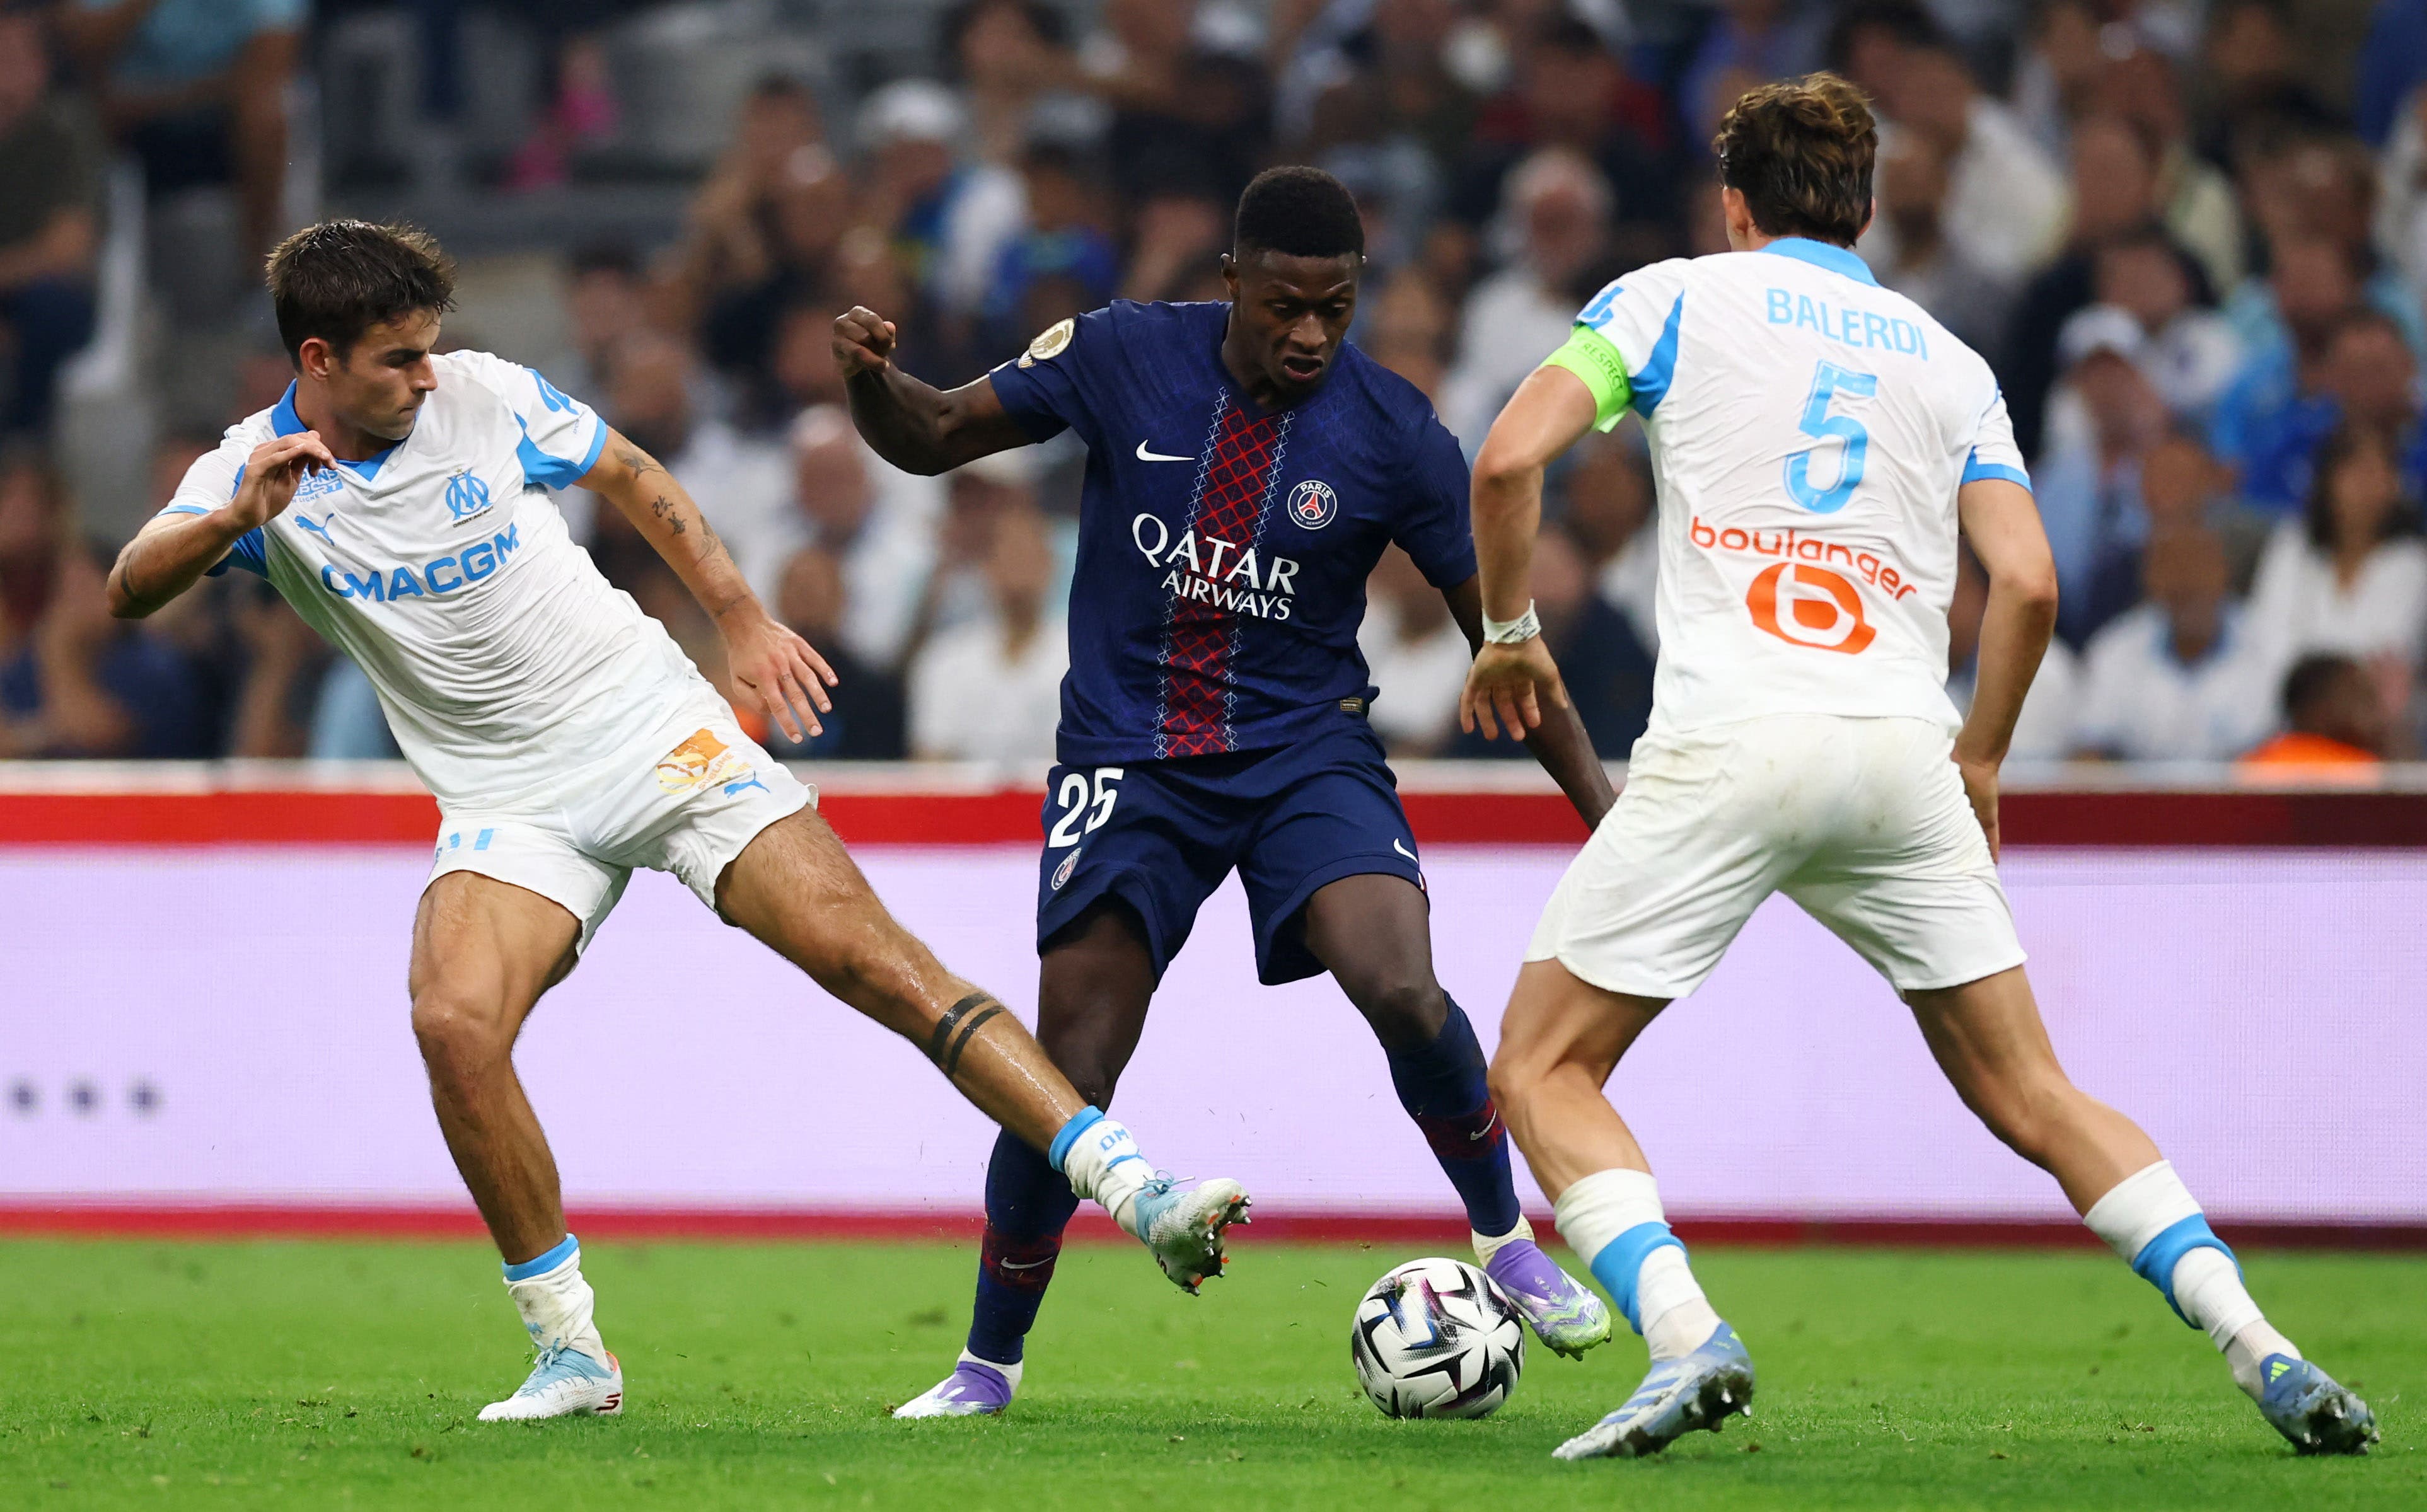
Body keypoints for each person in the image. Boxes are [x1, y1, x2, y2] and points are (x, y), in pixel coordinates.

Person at [104, 219, 1249, 1422]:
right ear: (321, 358)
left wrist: (741, 623)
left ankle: (1142, 1192)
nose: (429, 375)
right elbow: (132, 583)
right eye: (400, 360)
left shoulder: (486, 397)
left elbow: (632, 475)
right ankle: (571, 1351)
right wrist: (230, 521)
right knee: (452, 1022)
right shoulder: (252, 472)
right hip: (507, 800)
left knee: (878, 962)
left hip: (652, 729)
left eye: (433, 350)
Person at [1459, 76, 2376, 1461]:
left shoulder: (1665, 300)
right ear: (1868, 210)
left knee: (1536, 1066)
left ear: (1732, 205)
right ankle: (2264, 1343)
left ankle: (1683, 1330)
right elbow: (2027, 580)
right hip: (1899, 752)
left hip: (1731, 736)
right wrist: (1984, 752)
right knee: (2032, 1092)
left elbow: (1505, 459)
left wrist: (1513, 631)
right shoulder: (1946, 359)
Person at [836, 164, 1619, 1418]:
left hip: (1304, 751)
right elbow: (931, 435)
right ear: (1232, 284)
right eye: (1284, 305)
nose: (1309, 332)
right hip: (1129, 756)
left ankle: (1502, 1234)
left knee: (1402, 984)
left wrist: (1605, 815)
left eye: (1335, 307)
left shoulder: (1396, 432)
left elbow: (1509, 647)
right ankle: (986, 1360)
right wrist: (871, 379)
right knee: (1070, 1066)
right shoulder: (1122, 354)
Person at [0, 8, 102, 439]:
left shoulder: (64, 132)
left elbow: (67, 250)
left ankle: (27, 446)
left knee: (51, 307)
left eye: (14, 59)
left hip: (32, 303)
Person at [907, 502, 1067, 762]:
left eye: (1027, 556)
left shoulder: (1083, 659)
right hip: (964, 800)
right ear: (985, 568)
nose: (1018, 571)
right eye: (1007, 557)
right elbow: (931, 762)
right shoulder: (945, 658)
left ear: (1050, 565)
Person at [2238, 653, 2391, 774]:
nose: (2373, 712)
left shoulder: (2249, 766)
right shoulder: (2363, 770)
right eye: (2359, 696)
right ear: (2318, 708)